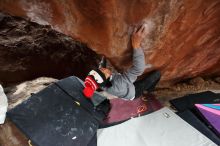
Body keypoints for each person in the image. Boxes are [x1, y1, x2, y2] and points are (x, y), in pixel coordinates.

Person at [83, 24, 161, 100]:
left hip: (123, 86)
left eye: (99, 70)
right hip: (134, 91)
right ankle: (149, 91)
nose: (103, 69)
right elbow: (138, 69)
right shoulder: (118, 84)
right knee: (157, 74)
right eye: (103, 72)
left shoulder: (100, 82)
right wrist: (136, 45)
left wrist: (104, 54)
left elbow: (102, 67)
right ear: (106, 80)